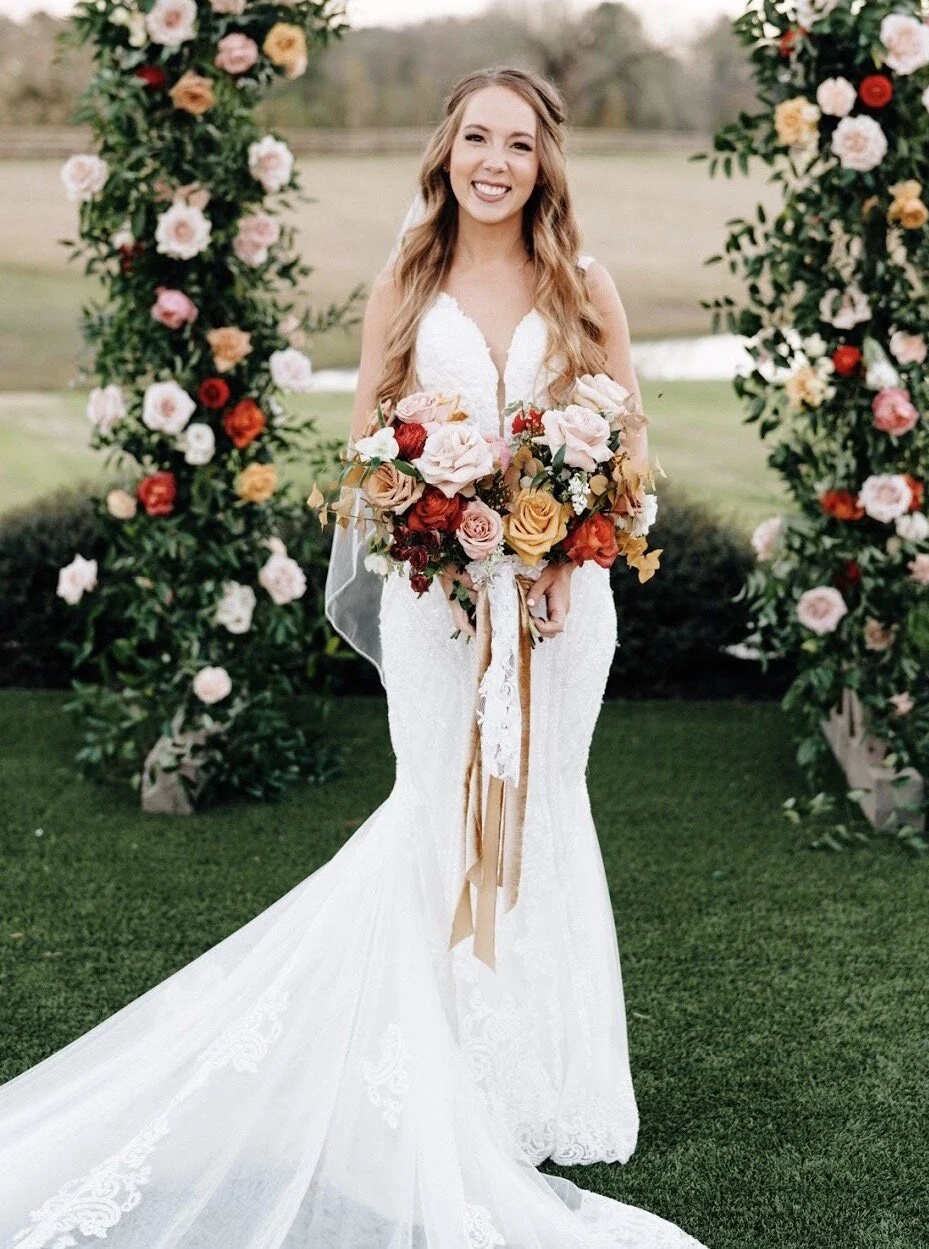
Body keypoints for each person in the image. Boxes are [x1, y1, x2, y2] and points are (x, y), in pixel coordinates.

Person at [0, 67, 707, 1249]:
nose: (494, 160)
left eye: (517, 144)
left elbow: (625, 444)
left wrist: (560, 548)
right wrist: (439, 530)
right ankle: (438, 1071)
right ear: (445, 150)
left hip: (559, 606)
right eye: (475, 135)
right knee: (439, 807)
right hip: (437, 606)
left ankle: (540, 1085)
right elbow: (370, 453)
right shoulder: (407, 277)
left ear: (544, 164)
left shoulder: (583, 287)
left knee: (539, 811)